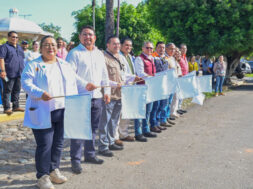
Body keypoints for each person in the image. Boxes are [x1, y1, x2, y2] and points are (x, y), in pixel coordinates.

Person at [21, 35, 96, 189]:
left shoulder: (63, 64)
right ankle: (42, 176)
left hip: (62, 109)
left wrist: (86, 85)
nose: (51, 48)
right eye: (47, 45)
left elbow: (75, 79)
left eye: (53, 45)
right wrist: (40, 93)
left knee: (58, 143)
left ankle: (54, 170)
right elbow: (26, 83)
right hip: (43, 110)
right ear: (41, 48)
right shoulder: (33, 65)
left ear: (57, 47)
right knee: (45, 145)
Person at [66, 26, 111, 173]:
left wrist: (107, 91)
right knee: (79, 130)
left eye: (90, 34)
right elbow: (70, 74)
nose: (88, 37)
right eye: (84, 34)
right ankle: (75, 160)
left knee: (93, 128)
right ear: (80, 37)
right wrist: (85, 84)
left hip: (97, 97)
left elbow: (104, 74)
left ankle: (90, 154)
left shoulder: (99, 54)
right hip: (80, 97)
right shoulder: (74, 53)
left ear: (95, 37)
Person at [98, 36, 139, 157]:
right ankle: (103, 146)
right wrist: (115, 84)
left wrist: (132, 77)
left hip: (120, 94)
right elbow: (102, 78)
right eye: (114, 44)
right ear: (108, 45)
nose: (117, 46)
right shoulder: (103, 58)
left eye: (118, 44)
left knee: (114, 121)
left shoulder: (120, 57)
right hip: (108, 95)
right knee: (105, 122)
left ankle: (111, 141)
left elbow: (123, 74)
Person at [134, 41, 157, 142]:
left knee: (148, 111)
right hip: (141, 88)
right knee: (140, 112)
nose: (149, 50)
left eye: (151, 48)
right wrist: (152, 78)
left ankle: (146, 129)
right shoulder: (139, 59)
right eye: (147, 48)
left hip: (150, 88)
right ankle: (138, 133)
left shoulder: (152, 58)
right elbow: (140, 73)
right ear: (143, 48)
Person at [0, 31, 25, 115]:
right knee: (7, 90)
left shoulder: (19, 47)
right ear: (8, 37)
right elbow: (1, 58)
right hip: (8, 73)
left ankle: (16, 106)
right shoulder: (4, 47)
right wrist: (3, 71)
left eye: (16, 37)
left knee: (17, 90)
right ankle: (7, 108)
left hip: (19, 73)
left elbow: (22, 59)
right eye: (13, 37)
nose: (15, 39)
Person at [149, 41, 169, 133]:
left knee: (162, 105)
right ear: (156, 48)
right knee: (155, 106)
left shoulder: (165, 58)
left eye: (163, 48)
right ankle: (153, 124)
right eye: (160, 47)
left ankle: (158, 122)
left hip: (163, 85)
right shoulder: (153, 58)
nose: (162, 49)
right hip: (155, 85)